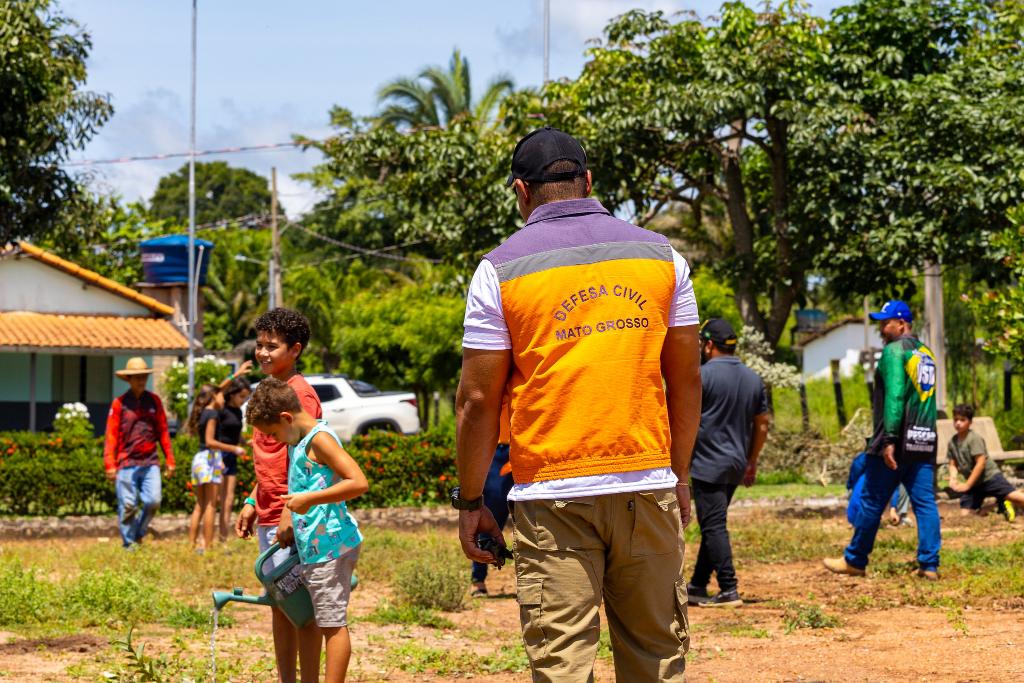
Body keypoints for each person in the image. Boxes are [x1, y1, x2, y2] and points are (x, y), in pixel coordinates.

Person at [455, 126, 702, 682]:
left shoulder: (499, 269)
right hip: (646, 482)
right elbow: (686, 381)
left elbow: (476, 400)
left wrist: (471, 501)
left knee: (562, 665)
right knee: (656, 658)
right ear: (588, 181)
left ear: (521, 191)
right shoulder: (662, 256)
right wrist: (679, 476)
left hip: (552, 496)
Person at [247, 378, 367, 683]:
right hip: (313, 548)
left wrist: (308, 500)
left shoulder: (319, 440)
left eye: (273, 433)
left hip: (331, 548)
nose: (274, 440)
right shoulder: (298, 443)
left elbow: (357, 482)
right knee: (311, 619)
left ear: (286, 418)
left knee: (332, 625)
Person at [235, 308, 324, 683]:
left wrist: (291, 513)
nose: (263, 352)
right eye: (260, 345)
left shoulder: (300, 395)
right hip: (270, 515)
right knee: (280, 605)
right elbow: (273, 459)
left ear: (295, 349)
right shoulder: (267, 391)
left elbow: (307, 462)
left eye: (272, 346)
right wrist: (252, 501)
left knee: (303, 611)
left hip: (293, 520)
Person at [824, 300, 941, 580]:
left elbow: (896, 396)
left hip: (896, 443)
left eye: (886, 322)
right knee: (925, 503)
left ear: (901, 324)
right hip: (923, 440)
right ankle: (929, 565)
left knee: (871, 500)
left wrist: (889, 439)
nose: (881, 328)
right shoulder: (925, 353)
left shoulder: (893, 351)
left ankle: (855, 560)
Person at [686, 319, 770, 608]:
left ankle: (728, 588)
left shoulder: (702, 375)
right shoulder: (753, 378)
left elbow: (685, 418)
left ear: (709, 344)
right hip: (736, 463)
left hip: (707, 463)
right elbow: (762, 424)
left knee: (713, 525)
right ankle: (698, 584)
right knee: (714, 522)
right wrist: (752, 460)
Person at [103, 357, 176, 550]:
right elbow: (111, 435)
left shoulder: (154, 401)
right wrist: (110, 464)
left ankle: (139, 532)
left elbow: (163, 432)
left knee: (153, 501)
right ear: (128, 379)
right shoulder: (119, 404)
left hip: (150, 462)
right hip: (126, 462)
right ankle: (129, 544)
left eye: (144, 376)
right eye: (137, 377)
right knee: (128, 505)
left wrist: (170, 459)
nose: (141, 380)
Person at [470, 400, 514, 597]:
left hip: (530, 445)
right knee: (490, 515)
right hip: (497, 447)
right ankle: (478, 579)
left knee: (534, 519)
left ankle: (536, 582)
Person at [948, 403, 1022, 521]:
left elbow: (980, 464)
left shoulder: (974, 439)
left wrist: (967, 485)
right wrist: (953, 478)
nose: (958, 423)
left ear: (970, 422)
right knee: (966, 516)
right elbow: (953, 464)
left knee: (1017, 498)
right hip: (974, 483)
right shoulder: (952, 442)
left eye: (962, 420)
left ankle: (1008, 501)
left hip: (989, 478)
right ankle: (997, 505)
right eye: (956, 419)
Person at [187, 383, 227, 554]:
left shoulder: (203, 412)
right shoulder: (212, 414)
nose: (224, 399)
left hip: (199, 459)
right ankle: (208, 546)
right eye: (222, 395)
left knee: (200, 504)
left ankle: (192, 544)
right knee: (211, 504)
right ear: (214, 396)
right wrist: (233, 448)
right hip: (209, 459)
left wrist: (237, 373)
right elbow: (210, 441)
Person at [218, 374, 253, 541]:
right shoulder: (221, 409)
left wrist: (246, 442)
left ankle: (223, 535)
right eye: (241, 396)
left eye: (245, 397)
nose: (243, 400)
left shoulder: (238, 412)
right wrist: (237, 373)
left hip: (232, 455)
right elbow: (218, 390)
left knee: (229, 498)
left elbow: (236, 434)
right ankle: (207, 535)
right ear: (232, 394)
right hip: (219, 455)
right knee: (217, 498)